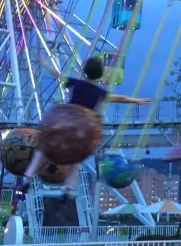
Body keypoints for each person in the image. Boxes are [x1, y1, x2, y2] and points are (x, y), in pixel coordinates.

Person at [22, 56, 150, 198]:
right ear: (100, 74)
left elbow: (57, 74)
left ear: (84, 71)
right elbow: (120, 98)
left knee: (42, 150)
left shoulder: (74, 83)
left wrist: (45, 63)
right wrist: (137, 100)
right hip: (81, 130)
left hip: (62, 123)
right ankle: (69, 189)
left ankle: (28, 177)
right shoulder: (99, 93)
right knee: (75, 159)